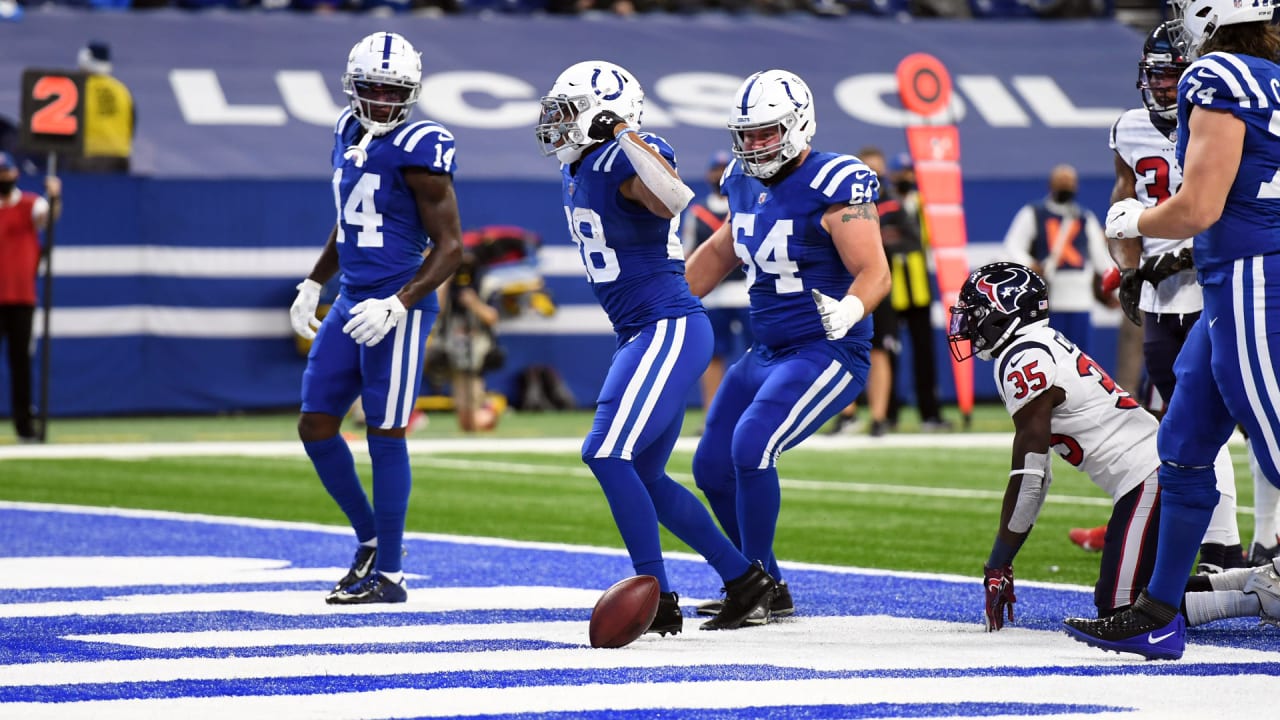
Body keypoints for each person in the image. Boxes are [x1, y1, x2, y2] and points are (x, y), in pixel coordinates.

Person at [1065, 2, 1280, 660]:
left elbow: (1200, 206)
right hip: (1232, 278)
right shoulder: (1266, 74)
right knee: (1184, 444)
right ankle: (1159, 612)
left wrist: (1134, 220)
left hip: (1253, 277)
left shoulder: (1218, 73)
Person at [535, 60, 775, 633]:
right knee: (644, 472)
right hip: (642, 331)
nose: (556, 123)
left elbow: (671, 197)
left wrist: (623, 133)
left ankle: (657, 593)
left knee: (605, 452)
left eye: (568, 112)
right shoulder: (581, 165)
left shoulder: (629, 152)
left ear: (602, 117)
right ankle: (746, 581)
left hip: (666, 325)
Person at [948, 262, 1279, 652]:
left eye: (975, 314)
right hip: (1151, 472)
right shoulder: (1036, 347)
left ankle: (1255, 598)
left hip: (1149, 476)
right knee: (1133, 600)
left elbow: (1030, 476)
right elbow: (1037, 479)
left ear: (1003, 313)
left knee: (1122, 609)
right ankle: (1260, 584)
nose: (966, 325)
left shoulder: (1025, 359)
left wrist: (998, 562)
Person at [685, 69, 891, 619]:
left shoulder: (836, 181)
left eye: (766, 133)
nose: (754, 146)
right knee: (710, 468)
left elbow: (874, 270)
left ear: (799, 125)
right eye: (746, 135)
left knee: (752, 447)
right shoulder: (741, 180)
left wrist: (849, 308)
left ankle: (751, 589)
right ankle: (765, 582)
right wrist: (668, 303)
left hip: (826, 350)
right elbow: (721, 250)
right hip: (765, 351)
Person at [288, 31, 463, 605]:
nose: (384, 102)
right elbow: (350, 222)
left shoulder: (422, 145)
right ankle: (369, 538)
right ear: (353, 87)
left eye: (395, 91)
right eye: (373, 89)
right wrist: (316, 280)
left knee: (385, 434)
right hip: (351, 297)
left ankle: (390, 573)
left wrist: (400, 302)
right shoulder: (345, 130)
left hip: (397, 303)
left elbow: (451, 246)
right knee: (315, 424)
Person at [1070, 20, 1246, 576]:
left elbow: (1228, 203)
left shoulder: (1217, 119)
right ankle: (1220, 548)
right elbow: (1123, 202)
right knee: (1182, 421)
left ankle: (1250, 540)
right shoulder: (1129, 127)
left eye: (1174, 75)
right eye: (1156, 75)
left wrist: (1189, 253)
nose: (1164, 87)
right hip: (1161, 296)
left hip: (1215, 280)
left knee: (1239, 417)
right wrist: (1127, 270)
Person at [1001, 163, 1114, 358]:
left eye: (1069, 183)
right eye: (1062, 183)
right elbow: (1013, 245)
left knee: (1080, 357)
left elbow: (1100, 258)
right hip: (1049, 297)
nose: (1066, 187)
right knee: (1050, 355)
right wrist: (1030, 264)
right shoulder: (1033, 213)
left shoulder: (1084, 217)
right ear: (1050, 185)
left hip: (1080, 298)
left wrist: (1116, 289)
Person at [884, 151, 951, 432]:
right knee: (888, 354)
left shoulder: (924, 205)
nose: (906, 177)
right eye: (901, 173)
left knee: (924, 354)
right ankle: (887, 414)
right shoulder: (883, 205)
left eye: (910, 172)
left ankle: (930, 413)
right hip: (890, 288)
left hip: (919, 287)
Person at [682, 150, 752, 414]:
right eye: (716, 169)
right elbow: (688, 252)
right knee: (711, 356)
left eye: (724, 169)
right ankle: (713, 412)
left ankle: (754, 412)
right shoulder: (698, 212)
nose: (719, 174)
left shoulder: (749, 204)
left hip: (748, 292)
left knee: (757, 354)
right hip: (712, 294)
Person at [0, 151, 59, 443]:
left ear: (15, 174)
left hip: (21, 297)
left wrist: (55, 197)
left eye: (5, 172)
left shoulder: (29, 204)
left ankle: (24, 425)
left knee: (20, 362)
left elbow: (46, 216)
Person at [62, 41, 134, 174]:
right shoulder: (122, 90)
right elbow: (131, 125)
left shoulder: (77, 88)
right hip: (119, 160)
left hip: (87, 158)